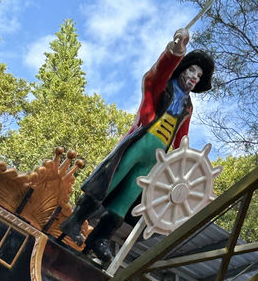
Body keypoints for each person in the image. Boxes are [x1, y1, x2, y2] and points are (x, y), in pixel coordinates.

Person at [59, 27, 214, 264]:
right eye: (192, 70)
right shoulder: (165, 85)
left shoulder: (188, 107)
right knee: (108, 183)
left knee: (127, 197)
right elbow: (156, 74)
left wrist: (181, 162)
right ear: (182, 69)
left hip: (157, 156)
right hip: (141, 140)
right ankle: (74, 221)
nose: (194, 77)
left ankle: (99, 238)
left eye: (199, 76)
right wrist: (175, 51)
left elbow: (182, 136)